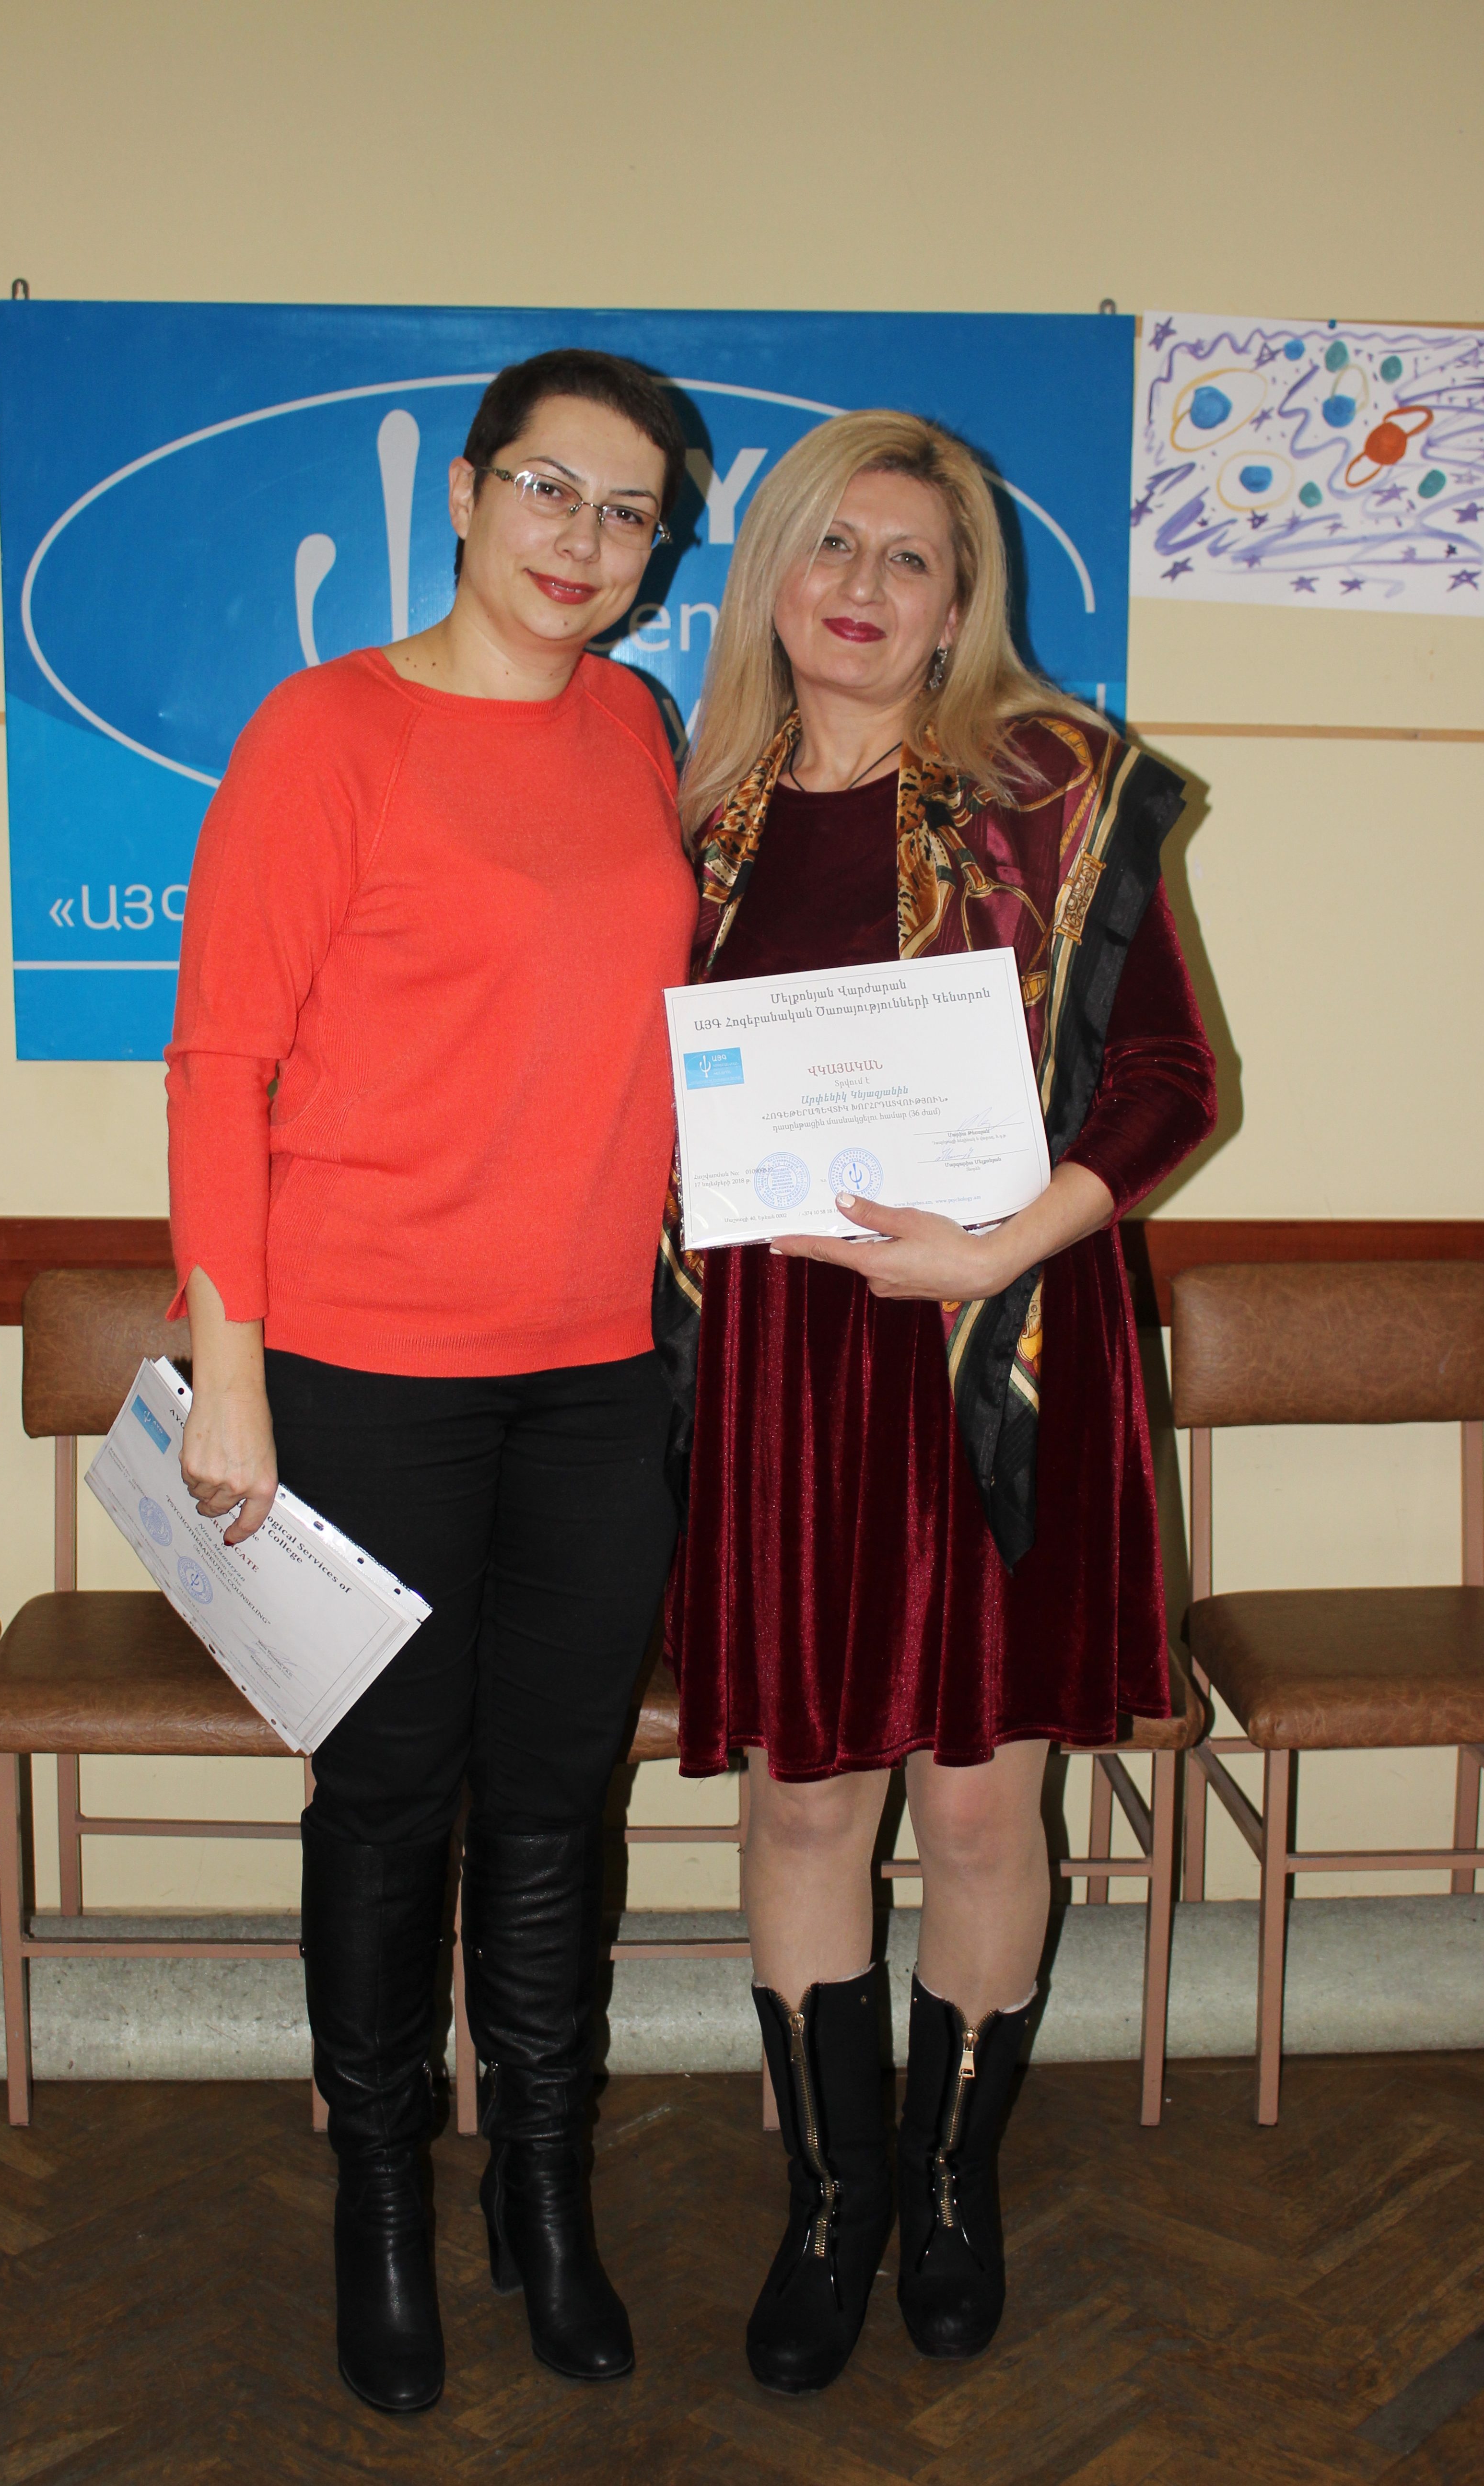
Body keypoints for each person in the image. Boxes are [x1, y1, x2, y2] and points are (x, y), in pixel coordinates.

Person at [658, 410, 1217, 2392]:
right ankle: (832, 2203)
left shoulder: (1048, 794)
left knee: (983, 1800)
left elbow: (1171, 1083)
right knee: (806, 1794)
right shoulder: (690, 815)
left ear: (962, 599)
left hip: (1004, 1352)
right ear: (771, 579)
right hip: (781, 1376)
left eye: (910, 557)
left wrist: (999, 1252)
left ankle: (953, 2191)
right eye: (831, 546)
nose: (864, 587)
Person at [167, 350, 697, 2415]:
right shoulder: (326, 731)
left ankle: (542, 2196)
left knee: (559, 1801)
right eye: (551, 490)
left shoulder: (634, 725)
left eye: (630, 513)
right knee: (390, 1802)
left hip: (598, 1372)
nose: (585, 541)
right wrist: (231, 1370)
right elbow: (222, 1062)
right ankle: (380, 2197)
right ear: (467, 495)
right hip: (363, 1363)